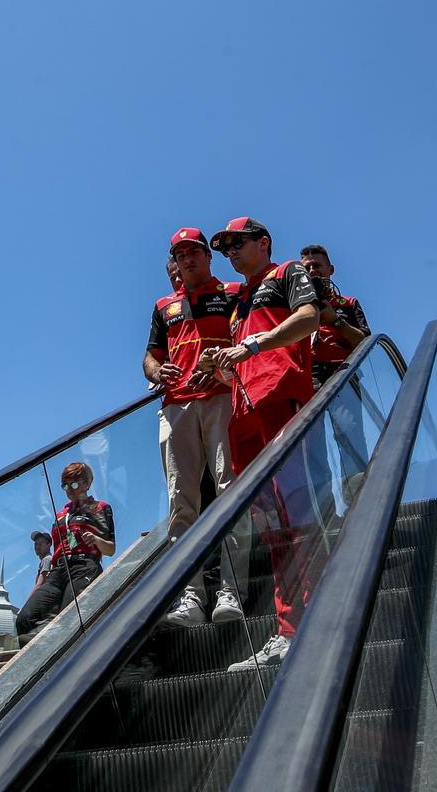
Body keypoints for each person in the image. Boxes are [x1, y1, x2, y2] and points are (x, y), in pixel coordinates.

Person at [202, 217, 323, 671]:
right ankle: (287, 629)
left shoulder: (287, 272)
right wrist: (219, 369)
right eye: (226, 247)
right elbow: (242, 361)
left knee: (298, 516)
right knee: (272, 525)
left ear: (263, 242)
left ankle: (311, 624)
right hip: (244, 412)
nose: (230, 252)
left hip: (281, 398)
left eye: (238, 243)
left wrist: (256, 344)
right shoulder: (238, 303)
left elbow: (309, 318)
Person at [144, 227, 242, 627]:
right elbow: (150, 356)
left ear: (207, 256)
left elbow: (249, 340)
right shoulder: (164, 305)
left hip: (222, 400)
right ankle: (190, 597)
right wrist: (156, 369)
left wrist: (224, 372)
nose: (187, 260)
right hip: (176, 406)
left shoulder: (234, 292)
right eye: (180, 254)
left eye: (194, 253)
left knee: (231, 493)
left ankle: (231, 591)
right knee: (180, 503)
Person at [15, 463, 115, 642]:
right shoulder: (61, 514)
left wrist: (96, 540)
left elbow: (110, 549)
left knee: (69, 614)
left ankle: (55, 649)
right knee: (25, 618)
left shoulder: (100, 507)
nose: (70, 489)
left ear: (87, 483)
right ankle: (42, 647)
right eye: (66, 485)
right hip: (59, 569)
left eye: (75, 484)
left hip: (84, 565)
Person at [300, 244, 372, 485]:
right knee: (311, 445)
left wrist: (335, 320)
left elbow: (365, 342)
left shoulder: (348, 303)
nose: (312, 272)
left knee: (350, 438)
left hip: (343, 374)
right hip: (307, 378)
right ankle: (326, 512)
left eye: (317, 266)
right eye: (306, 268)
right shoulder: (295, 308)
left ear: (330, 269)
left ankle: (357, 500)